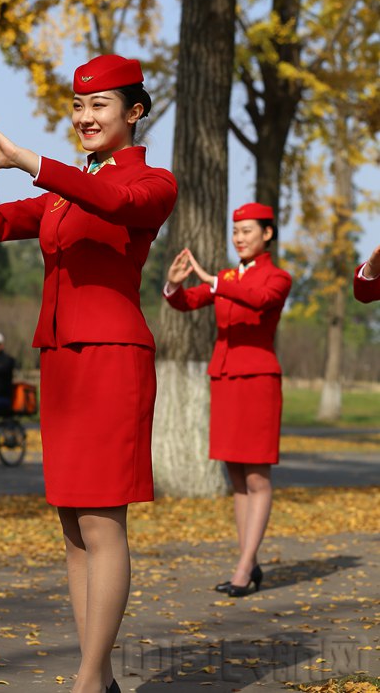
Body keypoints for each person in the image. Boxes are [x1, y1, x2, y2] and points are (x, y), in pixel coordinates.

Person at [0, 53, 177, 693]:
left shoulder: (151, 182)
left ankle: (88, 680)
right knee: (73, 526)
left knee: (102, 523)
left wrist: (29, 160)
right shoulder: (66, 191)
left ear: (134, 112)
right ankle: (97, 676)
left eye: (99, 105)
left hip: (111, 360)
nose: (85, 117)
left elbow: (113, 200)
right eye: (78, 106)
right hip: (62, 363)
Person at [164, 203, 291, 597]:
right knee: (236, 477)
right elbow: (186, 302)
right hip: (225, 380)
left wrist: (215, 281)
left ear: (267, 234)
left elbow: (260, 299)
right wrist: (173, 285)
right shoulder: (227, 278)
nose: (239, 238)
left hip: (257, 382)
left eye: (247, 230)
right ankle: (248, 562)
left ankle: (244, 567)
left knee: (257, 477)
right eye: (236, 231)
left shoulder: (278, 277)